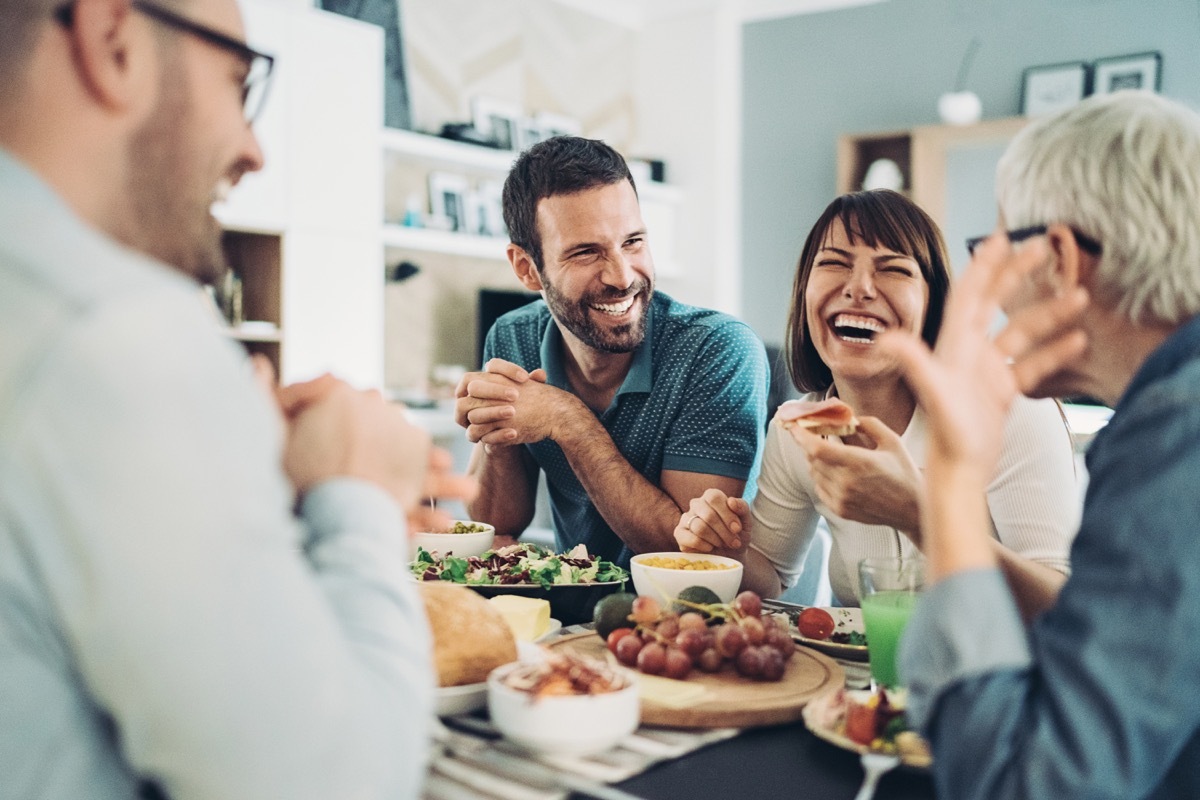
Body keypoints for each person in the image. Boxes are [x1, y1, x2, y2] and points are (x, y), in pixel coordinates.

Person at [0, 1, 471, 798]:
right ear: (114, 41)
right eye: (238, 82)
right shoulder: (117, 332)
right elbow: (337, 786)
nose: (254, 150)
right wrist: (354, 493)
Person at [883, 90, 1200, 799]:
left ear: (1057, 256)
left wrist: (953, 481)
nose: (990, 296)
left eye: (993, 254)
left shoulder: (1176, 434)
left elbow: (1026, 783)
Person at [673, 190, 1077, 619]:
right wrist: (730, 550)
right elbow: (770, 577)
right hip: (871, 682)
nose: (859, 288)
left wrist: (920, 517)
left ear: (933, 302)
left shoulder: (1006, 407)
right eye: (834, 263)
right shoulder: (797, 432)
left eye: (893, 269)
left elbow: (1060, 604)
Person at [455, 136, 769, 567]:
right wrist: (498, 434)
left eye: (633, 242)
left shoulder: (717, 351)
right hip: (574, 620)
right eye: (586, 252)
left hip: (691, 621)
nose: (622, 276)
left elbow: (691, 557)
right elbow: (497, 521)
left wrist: (569, 422)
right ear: (527, 268)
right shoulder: (512, 338)